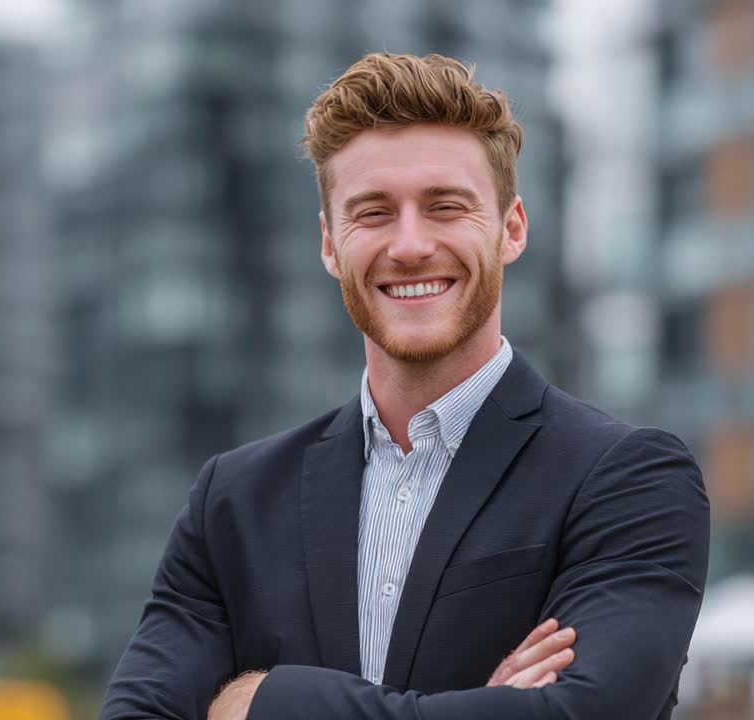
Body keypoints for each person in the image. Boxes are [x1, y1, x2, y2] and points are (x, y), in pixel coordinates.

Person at [99, 52, 710, 720]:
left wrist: (267, 701)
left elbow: (589, 714)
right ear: (330, 245)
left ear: (511, 229)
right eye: (374, 213)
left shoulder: (627, 480)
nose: (411, 245)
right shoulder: (235, 503)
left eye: (446, 207)